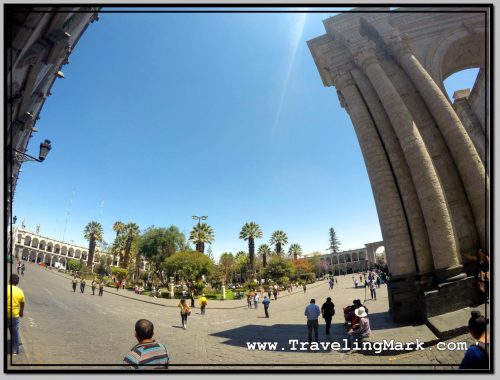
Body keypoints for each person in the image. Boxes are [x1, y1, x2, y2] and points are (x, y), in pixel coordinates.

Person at [7, 274, 25, 356]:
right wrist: (21, 312)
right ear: (17, 282)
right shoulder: (20, 291)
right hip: (14, 315)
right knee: (14, 333)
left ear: (9, 281)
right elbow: (22, 303)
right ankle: (14, 351)